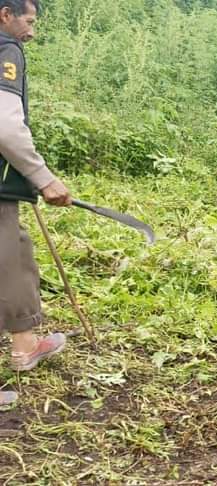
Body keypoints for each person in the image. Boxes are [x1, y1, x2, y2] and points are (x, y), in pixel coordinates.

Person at [0, 0, 71, 408]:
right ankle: (25, 345)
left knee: (13, 250)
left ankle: (25, 343)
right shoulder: (6, 51)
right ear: (5, 15)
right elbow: (7, 125)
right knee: (11, 253)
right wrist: (42, 177)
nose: (32, 30)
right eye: (28, 20)